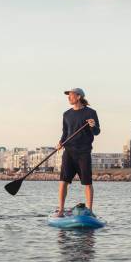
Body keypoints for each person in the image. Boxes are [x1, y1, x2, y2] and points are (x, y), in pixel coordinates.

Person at [54, 88, 101, 217]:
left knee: (87, 183)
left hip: (83, 153)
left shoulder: (90, 112)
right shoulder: (66, 114)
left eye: (71, 95)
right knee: (63, 181)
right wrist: (60, 142)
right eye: (68, 96)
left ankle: (90, 211)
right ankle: (61, 210)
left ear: (79, 96)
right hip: (69, 152)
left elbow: (97, 132)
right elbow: (65, 133)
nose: (69, 98)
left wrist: (92, 126)